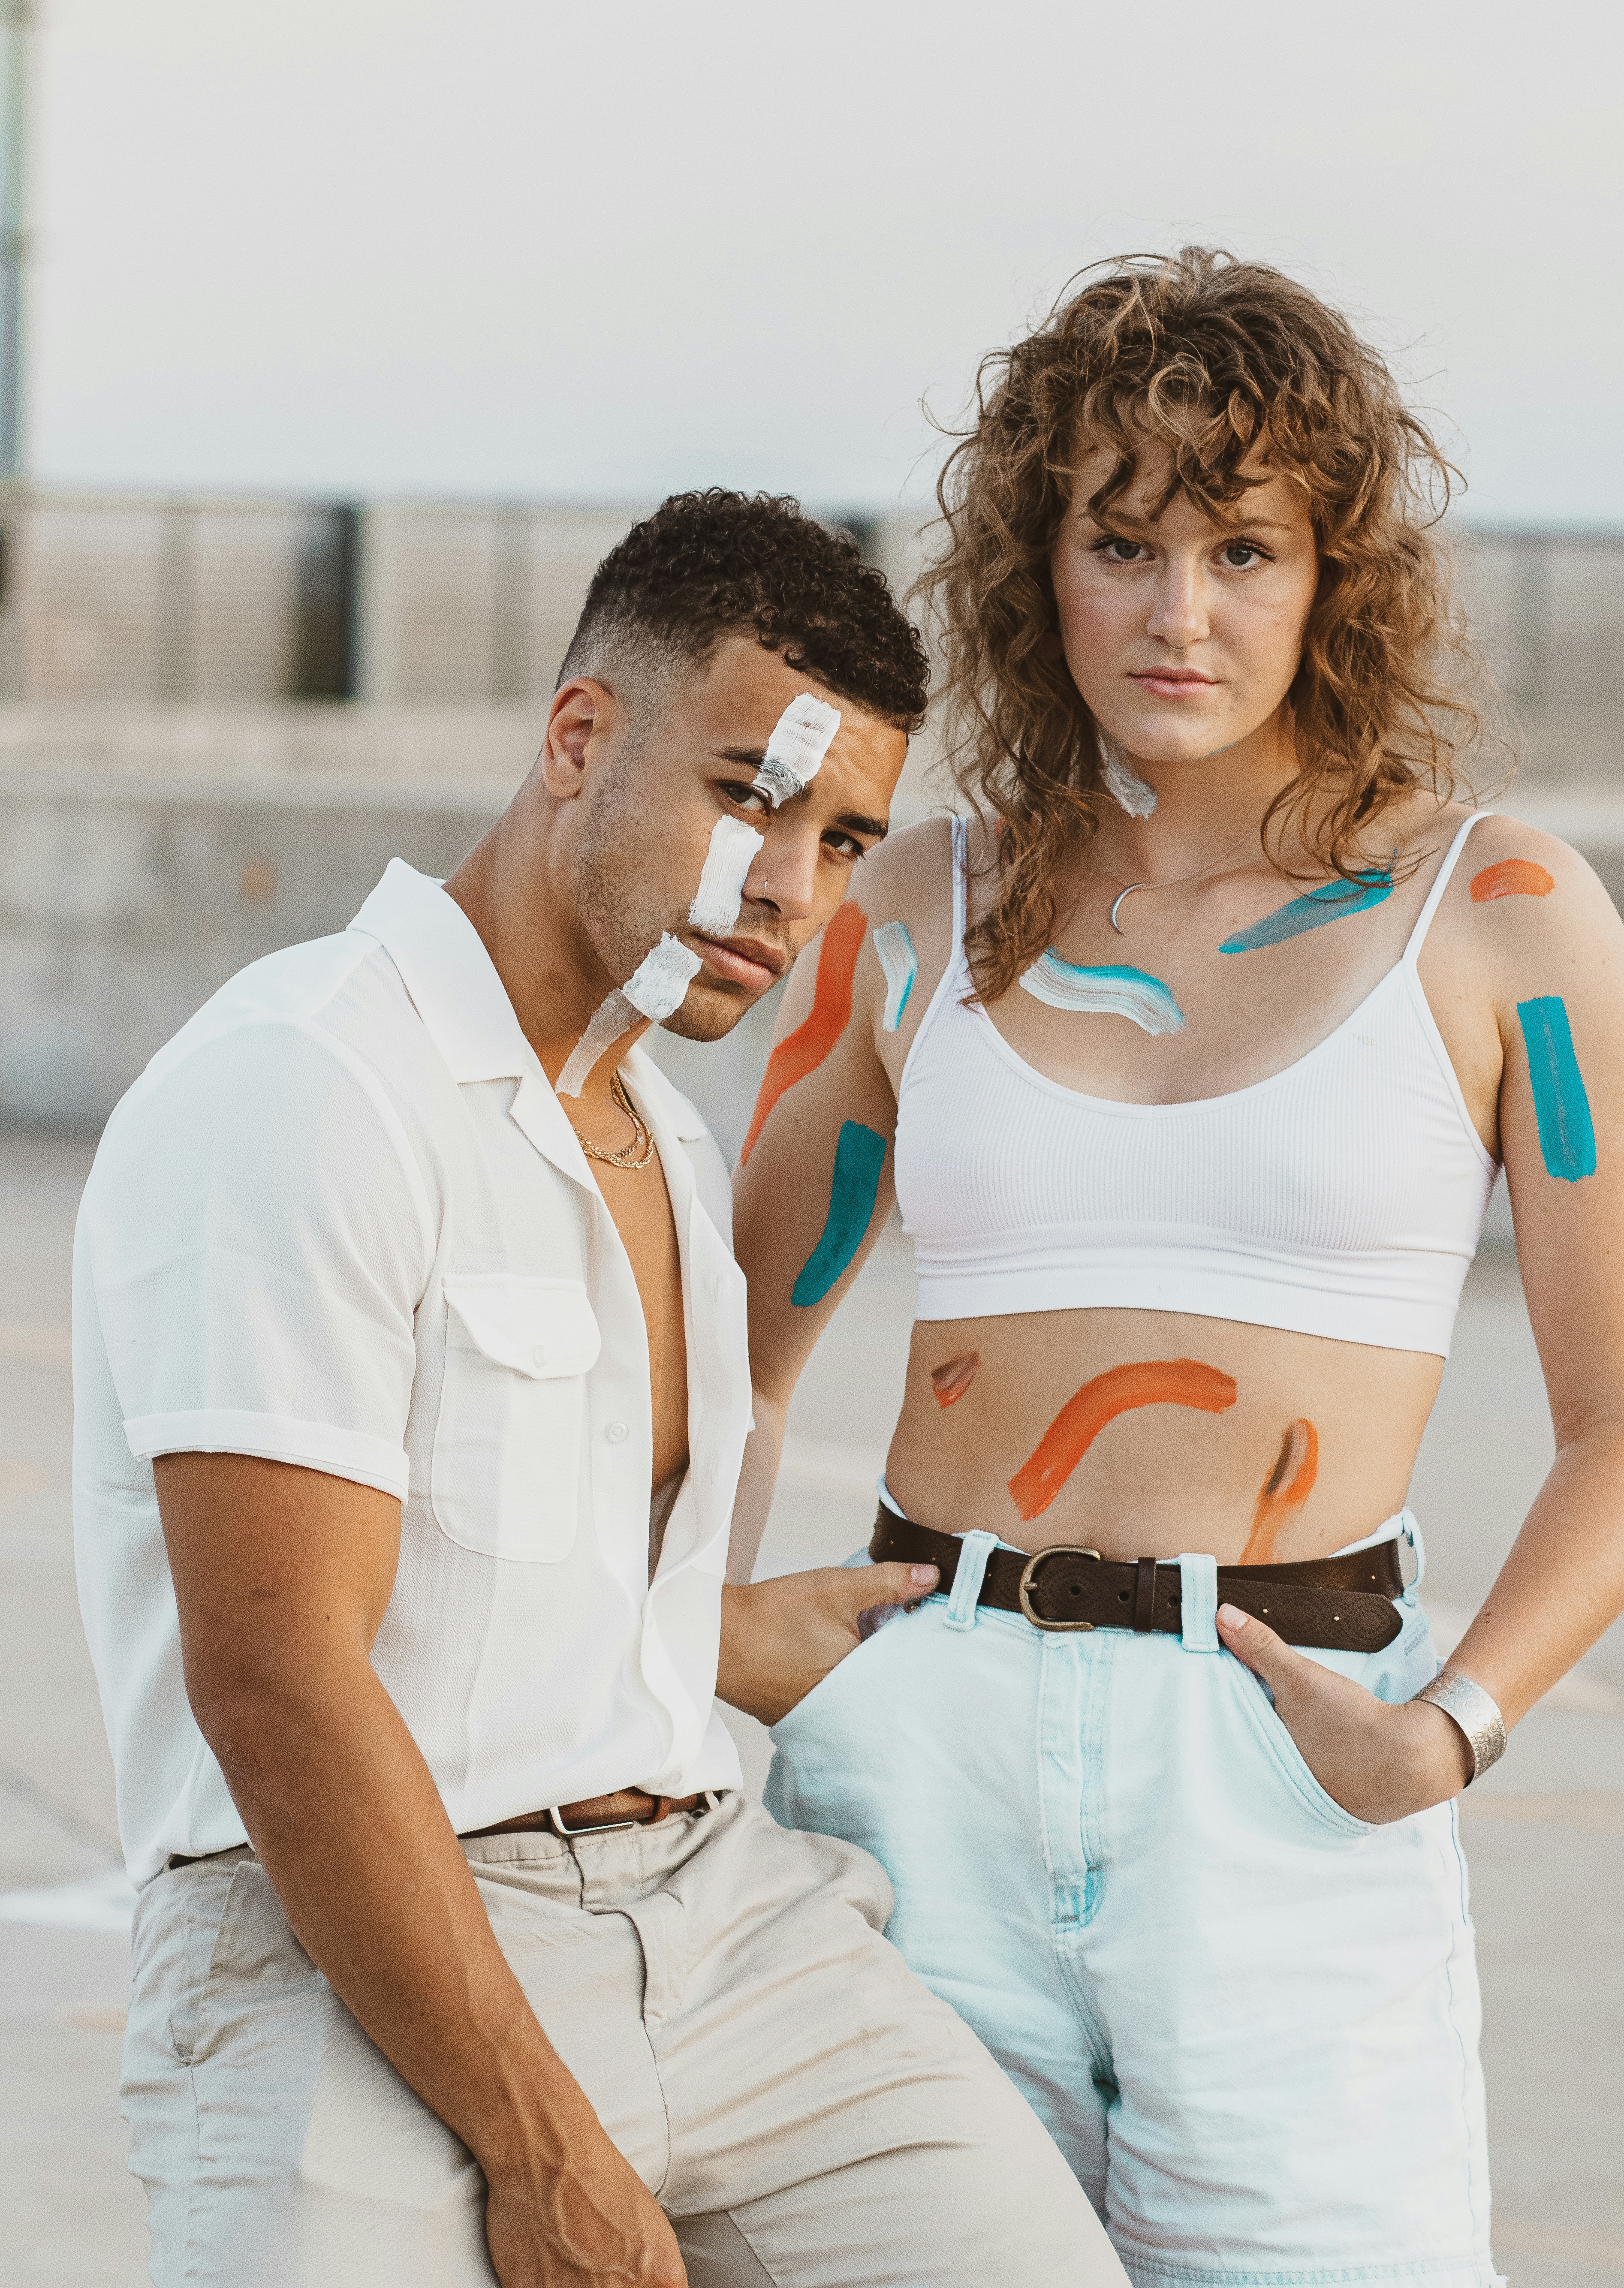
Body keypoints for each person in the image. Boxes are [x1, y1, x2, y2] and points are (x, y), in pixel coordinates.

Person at [73, 489, 1124, 2288]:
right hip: (358, 1943)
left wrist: (711, 1638)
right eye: (747, 798)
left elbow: (505, 1570)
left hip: (714, 1916)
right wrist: (537, 2144)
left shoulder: (663, 1141)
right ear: (578, 739)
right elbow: (282, 1682)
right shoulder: (305, 1084)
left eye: (845, 836)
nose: (790, 886)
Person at [732, 253, 1624, 2288]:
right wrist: (707, 1628)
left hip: (1291, 1764)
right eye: (1117, 542)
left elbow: (1617, 1420)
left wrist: (1449, 1729)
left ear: (1332, 574)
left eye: (1241, 546)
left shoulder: (1491, 914)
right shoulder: (914, 908)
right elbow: (725, 1347)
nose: (1178, 613)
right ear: (1035, 567)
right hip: (915, 1744)